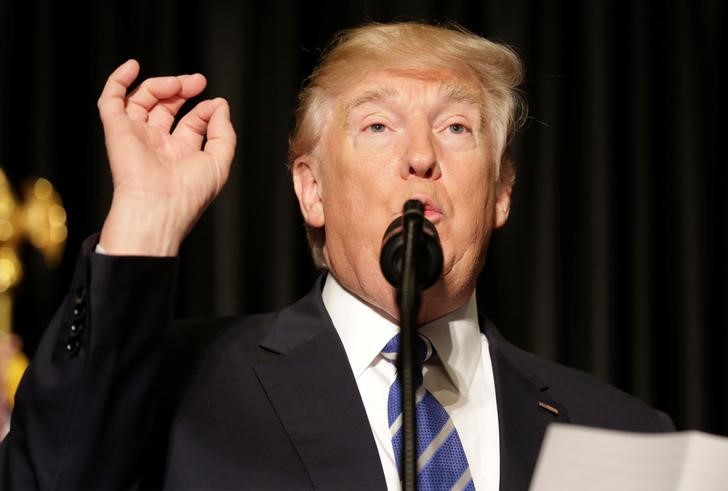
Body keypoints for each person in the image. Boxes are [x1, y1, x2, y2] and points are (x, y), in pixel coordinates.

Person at [0, 22, 672, 491]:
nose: (420, 156)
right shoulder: (179, 389)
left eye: (456, 127)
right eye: (378, 124)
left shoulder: (623, 434)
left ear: (500, 193)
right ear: (311, 188)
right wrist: (145, 217)